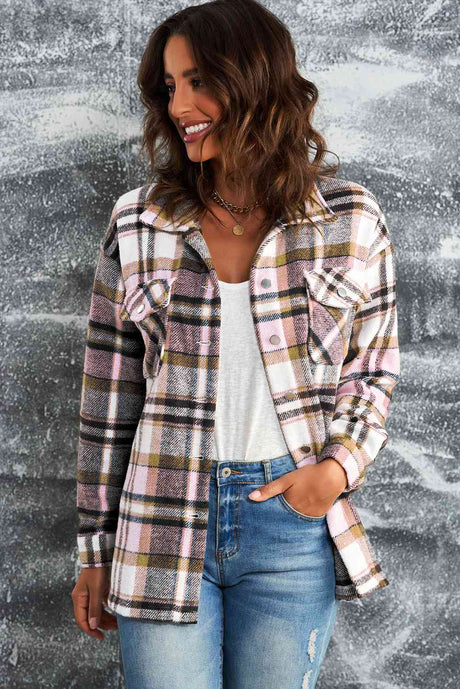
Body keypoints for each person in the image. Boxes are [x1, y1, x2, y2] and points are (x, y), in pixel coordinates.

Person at [71, 1, 400, 687]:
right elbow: (107, 403)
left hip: (289, 522)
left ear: (253, 80)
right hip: (159, 519)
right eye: (170, 87)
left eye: (198, 82)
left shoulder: (350, 219)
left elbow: (372, 369)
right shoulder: (139, 222)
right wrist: (95, 550)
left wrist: (335, 471)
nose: (179, 106)